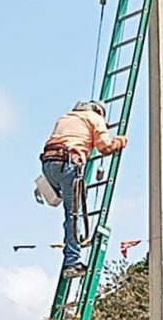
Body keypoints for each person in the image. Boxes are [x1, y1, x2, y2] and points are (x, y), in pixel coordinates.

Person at [39, 100, 128, 278]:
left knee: (72, 205)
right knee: (73, 215)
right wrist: (120, 141)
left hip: (48, 164)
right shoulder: (95, 118)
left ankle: (73, 244)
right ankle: (72, 262)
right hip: (68, 164)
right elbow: (105, 147)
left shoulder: (66, 117)